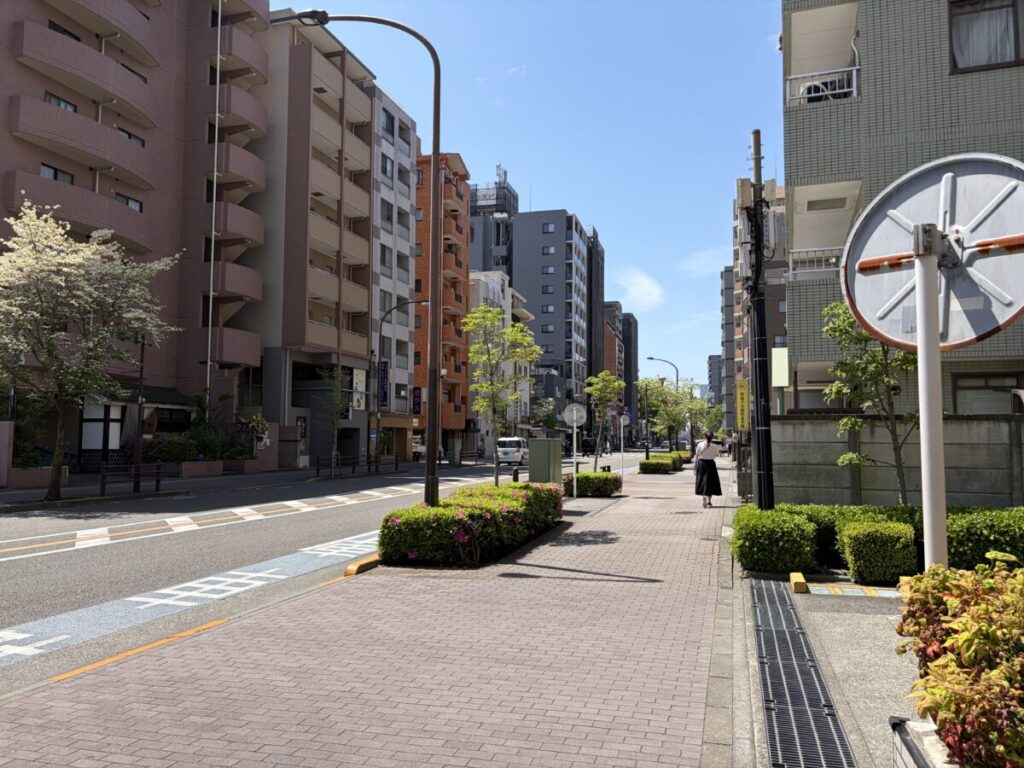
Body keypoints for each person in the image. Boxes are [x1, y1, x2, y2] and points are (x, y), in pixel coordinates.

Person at [694, 431, 722, 508]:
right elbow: (716, 455)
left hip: (701, 464)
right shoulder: (715, 446)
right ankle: (709, 502)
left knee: (702, 480)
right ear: (712, 437)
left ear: (705, 436)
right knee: (710, 482)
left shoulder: (700, 444)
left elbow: (697, 455)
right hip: (711, 464)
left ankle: (704, 496)